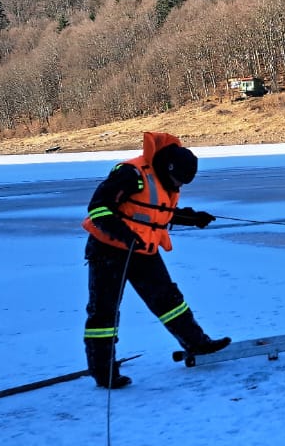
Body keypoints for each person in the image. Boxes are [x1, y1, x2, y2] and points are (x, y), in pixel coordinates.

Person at [81, 131, 229, 388]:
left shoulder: (163, 179)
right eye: (177, 181)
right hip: (108, 249)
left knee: (170, 301)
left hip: (143, 250)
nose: (178, 187)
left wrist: (192, 219)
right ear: (167, 167)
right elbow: (98, 208)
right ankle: (103, 372)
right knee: (103, 313)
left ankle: (197, 343)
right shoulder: (131, 174)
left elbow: (155, 212)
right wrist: (124, 236)